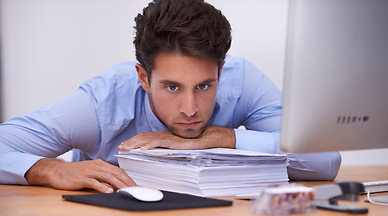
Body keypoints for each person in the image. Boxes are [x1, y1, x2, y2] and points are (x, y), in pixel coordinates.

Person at [0, 0, 341, 193]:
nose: (190, 110)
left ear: (221, 72)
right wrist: (46, 168)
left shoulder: (244, 81)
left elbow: (326, 160)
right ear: (144, 78)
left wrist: (216, 138)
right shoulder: (101, 105)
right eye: (172, 87)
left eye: (204, 86)